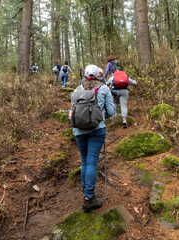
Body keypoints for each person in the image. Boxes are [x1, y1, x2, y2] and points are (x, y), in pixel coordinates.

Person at [73, 64, 115, 212]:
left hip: (79, 130)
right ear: (99, 75)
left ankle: (86, 191)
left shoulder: (78, 89)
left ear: (85, 75)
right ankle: (89, 198)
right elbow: (110, 110)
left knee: (84, 160)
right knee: (91, 162)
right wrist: (106, 117)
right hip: (97, 130)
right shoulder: (104, 88)